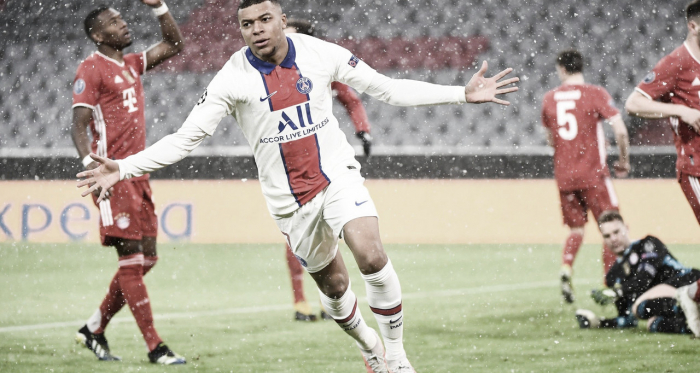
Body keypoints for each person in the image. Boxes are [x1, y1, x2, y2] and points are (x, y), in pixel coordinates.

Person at [76, 0, 519, 371]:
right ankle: (369, 347)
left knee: (370, 251)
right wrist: (122, 167)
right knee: (335, 289)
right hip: (289, 203)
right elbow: (185, 138)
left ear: (282, 19)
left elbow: (387, 89)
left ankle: (398, 359)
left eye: (264, 19)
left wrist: (460, 94)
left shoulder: (319, 52)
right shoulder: (232, 77)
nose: (256, 30)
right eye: (246, 24)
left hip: (336, 177)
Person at [70, 1, 185, 364]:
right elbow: (77, 125)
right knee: (132, 262)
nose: (122, 25)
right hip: (112, 176)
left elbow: (174, 44)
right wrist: (93, 168)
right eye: (113, 23)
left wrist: (160, 8)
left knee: (146, 258)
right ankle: (155, 347)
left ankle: (94, 327)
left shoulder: (132, 63)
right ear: (97, 35)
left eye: (122, 19)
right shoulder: (91, 68)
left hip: (137, 173)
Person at [283, 18, 373, 322]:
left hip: (323, 163)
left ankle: (328, 299)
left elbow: (349, 97)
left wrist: (363, 130)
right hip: (288, 166)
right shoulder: (267, 71)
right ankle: (300, 302)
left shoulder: (319, 65)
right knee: (298, 234)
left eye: (289, 37)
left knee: (329, 233)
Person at [625, 1, 700, 338]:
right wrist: (682, 113)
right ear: (694, 26)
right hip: (696, 168)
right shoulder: (677, 62)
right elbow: (634, 102)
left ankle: (691, 294)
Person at [541, 49, 630, 303]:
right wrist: (623, 160)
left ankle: (566, 268)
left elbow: (550, 140)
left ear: (561, 69)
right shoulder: (595, 94)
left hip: (565, 176)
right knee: (612, 228)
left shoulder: (549, 98)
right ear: (580, 67)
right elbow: (621, 131)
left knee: (576, 229)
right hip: (593, 174)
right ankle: (608, 283)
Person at [575, 211, 699, 335]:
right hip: (663, 301)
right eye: (607, 236)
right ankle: (690, 323)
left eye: (616, 232)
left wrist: (617, 292)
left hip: (690, 282)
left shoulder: (648, 244)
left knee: (640, 306)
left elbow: (644, 278)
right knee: (653, 323)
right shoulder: (613, 275)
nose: (613, 239)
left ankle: (688, 306)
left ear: (626, 228)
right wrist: (599, 322)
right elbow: (629, 320)